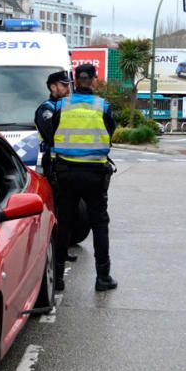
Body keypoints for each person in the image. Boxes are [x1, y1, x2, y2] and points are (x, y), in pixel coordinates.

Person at [50, 63, 117, 292]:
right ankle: (103, 277)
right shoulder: (102, 106)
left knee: (65, 222)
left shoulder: (61, 105)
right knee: (99, 223)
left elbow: (50, 133)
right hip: (94, 174)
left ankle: (57, 278)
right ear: (94, 81)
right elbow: (110, 133)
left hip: (66, 173)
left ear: (75, 81)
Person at [34, 70, 76, 262]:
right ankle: (56, 253)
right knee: (57, 209)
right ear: (53, 87)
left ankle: (63, 250)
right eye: (63, 85)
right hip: (54, 163)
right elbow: (52, 135)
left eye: (68, 85)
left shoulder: (70, 107)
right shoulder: (46, 109)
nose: (68, 89)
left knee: (68, 210)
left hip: (71, 163)